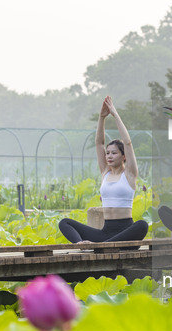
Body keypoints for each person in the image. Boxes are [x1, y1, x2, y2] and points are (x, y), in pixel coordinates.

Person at [59, 96, 148, 244]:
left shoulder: (129, 174)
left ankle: (103, 246)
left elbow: (127, 142)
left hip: (125, 235)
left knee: (142, 225)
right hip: (105, 234)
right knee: (64, 223)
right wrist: (102, 118)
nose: (109, 156)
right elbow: (99, 143)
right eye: (108, 153)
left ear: (124, 156)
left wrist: (114, 114)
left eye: (114, 153)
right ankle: (84, 245)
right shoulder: (105, 172)